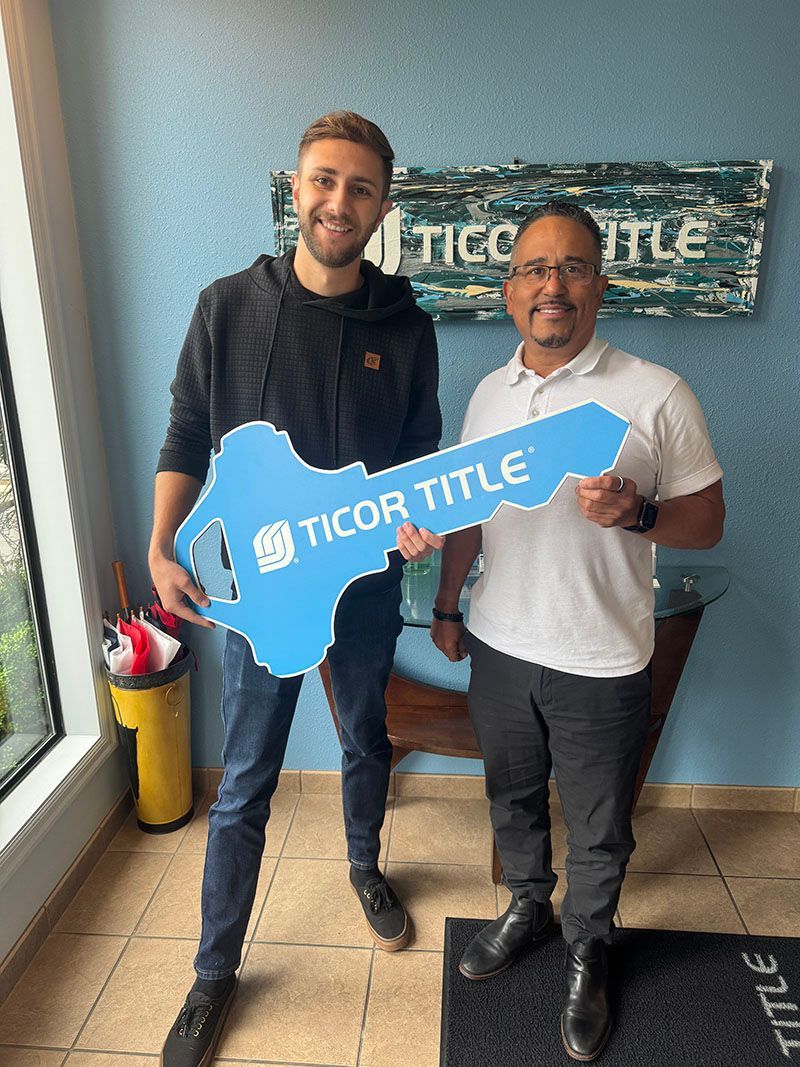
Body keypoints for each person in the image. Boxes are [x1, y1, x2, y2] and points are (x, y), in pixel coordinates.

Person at [150, 111, 443, 1067]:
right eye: (325, 181)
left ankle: (364, 865)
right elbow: (189, 430)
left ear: (381, 206)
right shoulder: (227, 306)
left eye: (360, 188)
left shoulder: (407, 325)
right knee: (244, 784)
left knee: (368, 736)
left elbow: (416, 461)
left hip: (361, 586)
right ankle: (212, 971)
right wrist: (162, 545)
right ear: (296, 187)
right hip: (267, 596)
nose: (339, 202)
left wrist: (414, 527)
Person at [431, 200, 724, 1061]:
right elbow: (466, 518)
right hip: (500, 645)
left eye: (571, 268)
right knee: (511, 800)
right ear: (509, 288)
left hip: (602, 657)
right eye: (533, 268)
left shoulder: (656, 391)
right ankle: (527, 903)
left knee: (600, 825)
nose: (551, 284)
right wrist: (450, 608)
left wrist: (638, 514)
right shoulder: (488, 392)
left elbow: (707, 522)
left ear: (600, 284)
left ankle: (588, 946)